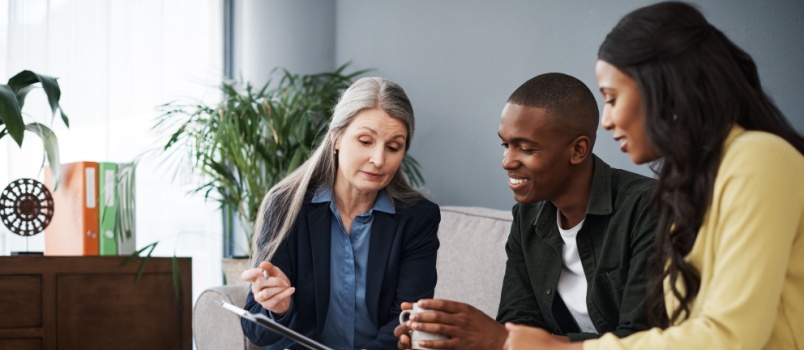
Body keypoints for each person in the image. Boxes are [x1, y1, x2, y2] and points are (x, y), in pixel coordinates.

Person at [504, 2, 804, 349]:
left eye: (612, 98)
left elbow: (730, 337)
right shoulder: (688, 189)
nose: (606, 121)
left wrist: (567, 348)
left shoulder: (759, 158)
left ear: (663, 89)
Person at [394, 72, 658, 349]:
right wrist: (458, 336)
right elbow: (518, 321)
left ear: (578, 150)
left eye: (526, 148)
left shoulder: (648, 209)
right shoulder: (527, 218)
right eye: (505, 145)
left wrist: (509, 340)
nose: (507, 162)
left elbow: (641, 339)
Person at [240, 77, 442, 350]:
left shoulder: (418, 217)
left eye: (393, 147)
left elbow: (407, 322)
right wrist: (277, 308)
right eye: (365, 141)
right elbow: (257, 332)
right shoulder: (287, 205)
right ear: (336, 138)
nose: (379, 159)